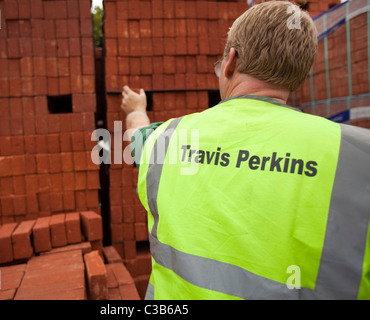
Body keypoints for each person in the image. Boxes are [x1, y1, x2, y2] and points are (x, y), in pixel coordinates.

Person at [120, 1, 370, 300]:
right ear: (301, 76)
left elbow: (136, 139)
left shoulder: (166, 139)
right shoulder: (359, 157)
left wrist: (136, 110)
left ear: (231, 61)